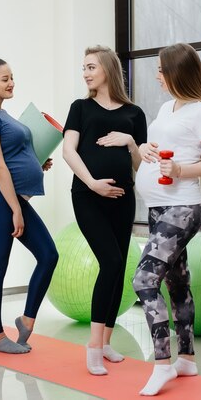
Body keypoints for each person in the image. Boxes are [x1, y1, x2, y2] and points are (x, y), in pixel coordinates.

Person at [132, 43, 201, 396]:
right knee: (177, 284)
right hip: (158, 207)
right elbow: (156, 149)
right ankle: (186, 359)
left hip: (182, 207)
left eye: (161, 69)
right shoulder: (166, 108)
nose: (157, 75)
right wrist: (144, 149)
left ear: (177, 72)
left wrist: (182, 169)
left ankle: (161, 365)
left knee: (143, 281)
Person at [62, 45, 147, 375]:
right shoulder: (80, 107)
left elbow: (142, 165)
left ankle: (107, 342)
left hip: (123, 198)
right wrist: (93, 182)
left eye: (91, 67)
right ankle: (93, 347)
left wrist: (129, 142)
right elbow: (69, 151)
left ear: (108, 69)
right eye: (83, 67)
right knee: (110, 262)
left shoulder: (134, 114)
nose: (85, 73)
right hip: (88, 195)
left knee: (118, 266)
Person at [0, 58, 58, 354]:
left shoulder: (3, 115)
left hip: (10, 200)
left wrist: (36, 164)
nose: (11, 83)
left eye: (12, 77)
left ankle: (26, 320)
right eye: (4, 78)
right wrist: (16, 210)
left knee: (49, 255)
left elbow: (12, 155)